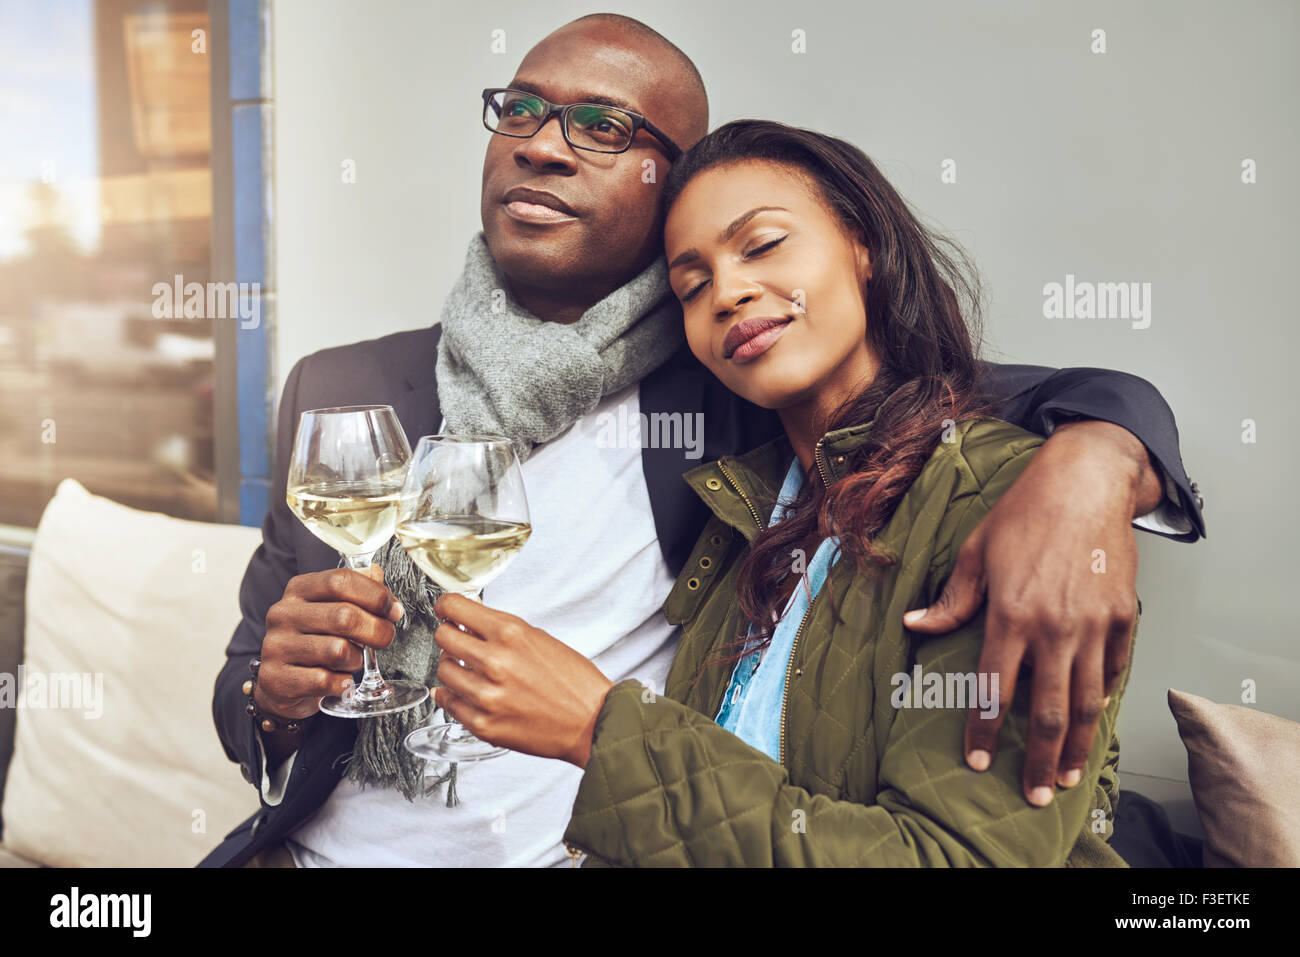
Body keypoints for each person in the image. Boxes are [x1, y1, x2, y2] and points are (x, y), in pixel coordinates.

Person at [201, 14, 1202, 869]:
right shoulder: (341, 391)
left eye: (601, 127)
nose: (542, 145)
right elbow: (244, 706)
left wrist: (1097, 460)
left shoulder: (726, 390)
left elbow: (971, 398)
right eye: (520, 108)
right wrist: (275, 698)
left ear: (664, 188)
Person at [427, 118, 1139, 866]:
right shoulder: (742, 511)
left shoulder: (1017, 506)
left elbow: (951, 855)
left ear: (865, 246)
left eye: (763, 246)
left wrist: (599, 729)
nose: (727, 292)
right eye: (692, 285)